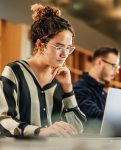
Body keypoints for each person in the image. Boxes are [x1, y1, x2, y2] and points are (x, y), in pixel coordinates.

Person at [0, 3, 86, 137]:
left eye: (68, 48)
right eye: (59, 47)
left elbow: (78, 128)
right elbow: (4, 122)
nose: (65, 54)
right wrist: (42, 131)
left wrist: (68, 88)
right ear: (40, 44)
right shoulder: (14, 71)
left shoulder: (61, 78)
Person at [73, 46, 120, 133]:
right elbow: (95, 118)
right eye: (114, 66)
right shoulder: (79, 89)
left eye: (118, 68)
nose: (117, 71)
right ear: (99, 62)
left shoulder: (104, 94)